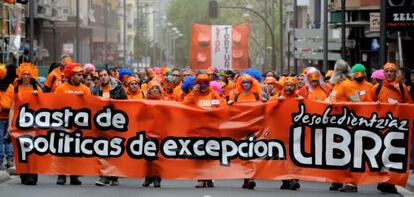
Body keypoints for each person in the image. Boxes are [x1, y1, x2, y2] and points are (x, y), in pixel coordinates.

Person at [182, 72, 225, 188]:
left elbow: (222, 106)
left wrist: (213, 109)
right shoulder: (194, 95)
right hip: (197, 129)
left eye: (205, 83)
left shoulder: (213, 94)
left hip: (211, 129)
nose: (203, 85)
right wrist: (193, 92)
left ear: (208, 84)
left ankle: (209, 177)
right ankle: (200, 178)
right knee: (199, 154)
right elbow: (185, 104)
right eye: (200, 83)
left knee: (211, 154)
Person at [54, 63, 90, 185]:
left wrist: (82, 99)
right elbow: (54, 105)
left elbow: (90, 107)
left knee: (76, 151)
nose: (81, 77)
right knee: (62, 151)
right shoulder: (61, 88)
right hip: (63, 124)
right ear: (71, 76)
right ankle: (61, 175)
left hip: (79, 126)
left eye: (81, 75)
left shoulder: (85, 89)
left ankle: (74, 176)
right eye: (78, 75)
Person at [327, 60, 360, 192]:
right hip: (337, 125)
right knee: (338, 154)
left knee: (347, 153)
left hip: (346, 126)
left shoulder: (347, 85)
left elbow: (357, 103)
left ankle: (351, 183)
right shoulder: (338, 85)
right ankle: (340, 179)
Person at [93, 68, 127, 186]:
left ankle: (114, 176)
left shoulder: (119, 89)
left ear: (109, 76)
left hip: (116, 124)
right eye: (101, 75)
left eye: (105, 75)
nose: (103, 77)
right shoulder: (96, 90)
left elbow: (126, 105)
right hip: (102, 125)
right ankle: (104, 176)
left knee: (114, 150)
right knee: (103, 150)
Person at [227, 74, 260, 190]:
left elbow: (262, 109)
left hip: (253, 127)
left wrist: (264, 102)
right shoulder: (236, 95)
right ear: (241, 84)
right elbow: (230, 112)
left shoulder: (256, 95)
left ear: (252, 84)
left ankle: (250, 178)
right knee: (242, 152)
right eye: (244, 82)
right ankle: (246, 178)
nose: (246, 84)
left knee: (251, 151)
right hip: (240, 128)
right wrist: (230, 104)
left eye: (248, 82)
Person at [14, 63, 44, 185]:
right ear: (21, 75)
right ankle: (23, 174)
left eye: (28, 74)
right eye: (24, 74)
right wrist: (11, 125)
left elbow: (44, 106)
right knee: (22, 150)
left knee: (32, 149)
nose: (26, 76)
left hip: (34, 123)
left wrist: (38, 98)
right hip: (19, 123)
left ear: (32, 76)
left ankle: (32, 175)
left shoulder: (37, 89)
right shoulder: (16, 89)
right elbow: (12, 107)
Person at [278, 77, 303, 190]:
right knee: (282, 156)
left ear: (295, 87)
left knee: (295, 156)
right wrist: (277, 102)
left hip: (296, 131)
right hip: (281, 131)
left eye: (291, 85)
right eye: (287, 85)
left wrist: (303, 102)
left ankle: (294, 179)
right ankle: (285, 180)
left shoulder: (299, 98)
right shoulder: (278, 97)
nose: (289, 87)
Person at [142, 80, 163, 187]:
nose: (154, 90)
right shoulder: (144, 103)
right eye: (152, 88)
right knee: (148, 155)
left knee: (158, 156)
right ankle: (148, 176)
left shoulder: (166, 102)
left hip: (160, 133)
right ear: (149, 90)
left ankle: (157, 177)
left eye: (156, 87)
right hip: (147, 132)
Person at [0, 64, 15, 171]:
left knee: (0, 139)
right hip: (9, 116)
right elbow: (14, 102)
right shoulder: (11, 87)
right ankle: (10, 160)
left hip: (0, 117)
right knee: (8, 139)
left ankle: (0, 161)